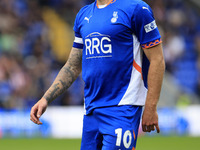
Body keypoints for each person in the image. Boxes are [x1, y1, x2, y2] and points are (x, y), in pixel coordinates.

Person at [30, 0, 165, 149]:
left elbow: (157, 59)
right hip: (91, 110)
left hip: (122, 107)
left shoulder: (136, 9)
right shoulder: (84, 15)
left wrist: (151, 107)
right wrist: (45, 98)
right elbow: (72, 66)